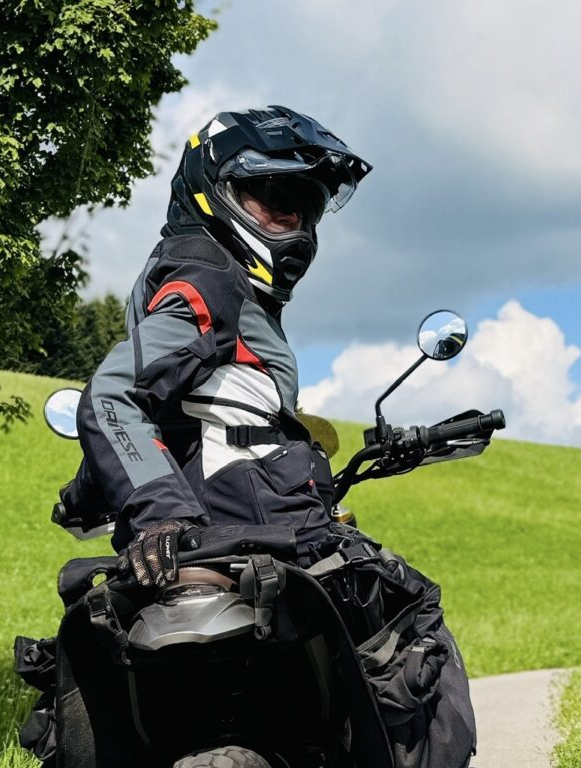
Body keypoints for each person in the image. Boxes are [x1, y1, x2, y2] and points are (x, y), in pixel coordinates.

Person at [60, 105, 373, 585]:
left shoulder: (197, 281)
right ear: (214, 192)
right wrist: (160, 514)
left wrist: (83, 494)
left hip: (249, 531)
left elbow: (168, 411)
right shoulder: (211, 276)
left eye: (303, 210)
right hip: (262, 533)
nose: (292, 222)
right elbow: (111, 397)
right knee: (413, 614)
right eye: (272, 199)